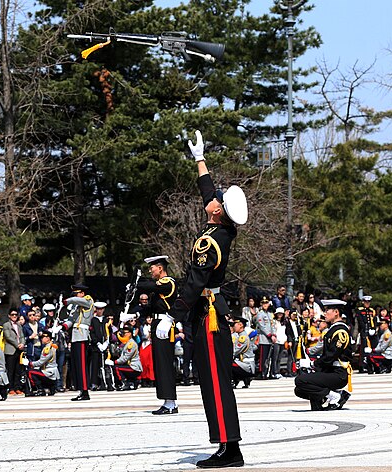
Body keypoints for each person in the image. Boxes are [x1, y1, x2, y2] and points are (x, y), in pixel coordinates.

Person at [167, 130, 248, 468]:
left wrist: (172, 315)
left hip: (207, 314)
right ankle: (226, 445)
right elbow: (207, 192)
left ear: (217, 212)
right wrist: (199, 160)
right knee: (211, 379)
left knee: (215, 381)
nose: (209, 200)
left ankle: (229, 449)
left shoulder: (209, 243)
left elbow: (193, 282)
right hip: (209, 313)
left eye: (214, 200)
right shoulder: (224, 228)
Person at [134, 255, 179, 414]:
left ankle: (170, 403)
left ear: (160, 268)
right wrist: (133, 315)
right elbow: (149, 309)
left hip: (165, 326)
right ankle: (168, 401)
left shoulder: (169, 283)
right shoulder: (157, 287)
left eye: (152, 267)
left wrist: (136, 282)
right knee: (160, 364)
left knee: (165, 363)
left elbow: (151, 286)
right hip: (157, 324)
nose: (150, 270)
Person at [294, 299, 352, 411]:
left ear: (336, 312)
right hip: (329, 371)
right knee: (300, 389)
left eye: (327, 310)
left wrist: (311, 364)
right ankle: (329, 395)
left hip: (338, 374)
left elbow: (331, 356)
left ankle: (335, 396)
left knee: (301, 381)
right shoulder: (332, 330)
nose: (324, 313)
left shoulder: (340, 332)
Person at [63, 284, 95, 401]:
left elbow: (76, 300)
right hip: (75, 337)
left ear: (82, 293)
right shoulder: (77, 307)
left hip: (82, 336)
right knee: (76, 365)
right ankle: (81, 390)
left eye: (77, 293)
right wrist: (63, 327)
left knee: (81, 365)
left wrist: (67, 301)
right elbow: (72, 320)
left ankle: (85, 391)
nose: (75, 296)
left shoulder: (88, 301)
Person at [25, 331, 59, 396]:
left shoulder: (47, 349)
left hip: (49, 373)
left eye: (43, 337)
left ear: (48, 338)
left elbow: (40, 362)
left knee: (29, 372)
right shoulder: (53, 346)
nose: (41, 339)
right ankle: (50, 388)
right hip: (52, 373)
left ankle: (40, 389)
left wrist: (29, 363)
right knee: (35, 371)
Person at [2, 310, 26, 396]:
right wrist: (17, 344)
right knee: (10, 370)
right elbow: (8, 337)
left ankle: (17, 387)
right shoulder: (6, 325)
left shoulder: (19, 325)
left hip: (19, 350)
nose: (14, 316)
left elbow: (22, 336)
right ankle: (10, 388)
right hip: (11, 350)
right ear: (9, 315)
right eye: (12, 314)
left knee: (18, 370)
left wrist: (22, 343)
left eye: (16, 314)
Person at [89, 301, 110, 391]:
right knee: (95, 365)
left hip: (105, 345)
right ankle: (94, 383)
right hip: (96, 346)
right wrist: (97, 343)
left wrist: (106, 342)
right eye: (98, 309)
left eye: (101, 309)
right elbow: (92, 333)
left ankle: (106, 382)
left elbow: (109, 331)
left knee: (105, 365)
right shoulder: (93, 320)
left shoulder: (106, 320)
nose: (100, 311)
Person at [230, 317, 256, 388]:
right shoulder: (240, 336)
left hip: (247, 365)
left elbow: (235, 351)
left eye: (235, 325)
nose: (233, 327)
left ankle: (233, 381)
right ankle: (243, 379)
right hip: (244, 363)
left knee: (227, 364)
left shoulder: (243, 338)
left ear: (240, 325)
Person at [254, 297, 275, 380]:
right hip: (264, 338)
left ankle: (267, 372)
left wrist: (273, 335)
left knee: (269, 357)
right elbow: (262, 326)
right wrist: (269, 334)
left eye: (266, 303)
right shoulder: (260, 314)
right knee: (263, 357)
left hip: (270, 339)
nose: (265, 305)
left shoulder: (269, 314)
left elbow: (272, 325)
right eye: (263, 303)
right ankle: (261, 372)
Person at [356, 295, 377, 373]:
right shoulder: (360, 311)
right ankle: (362, 366)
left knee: (372, 348)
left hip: (371, 332)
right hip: (364, 331)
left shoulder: (372, 311)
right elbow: (361, 322)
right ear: (363, 302)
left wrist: (374, 329)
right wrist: (365, 331)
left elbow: (374, 321)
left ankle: (371, 365)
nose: (367, 303)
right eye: (366, 302)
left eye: (368, 302)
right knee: (363, 350)